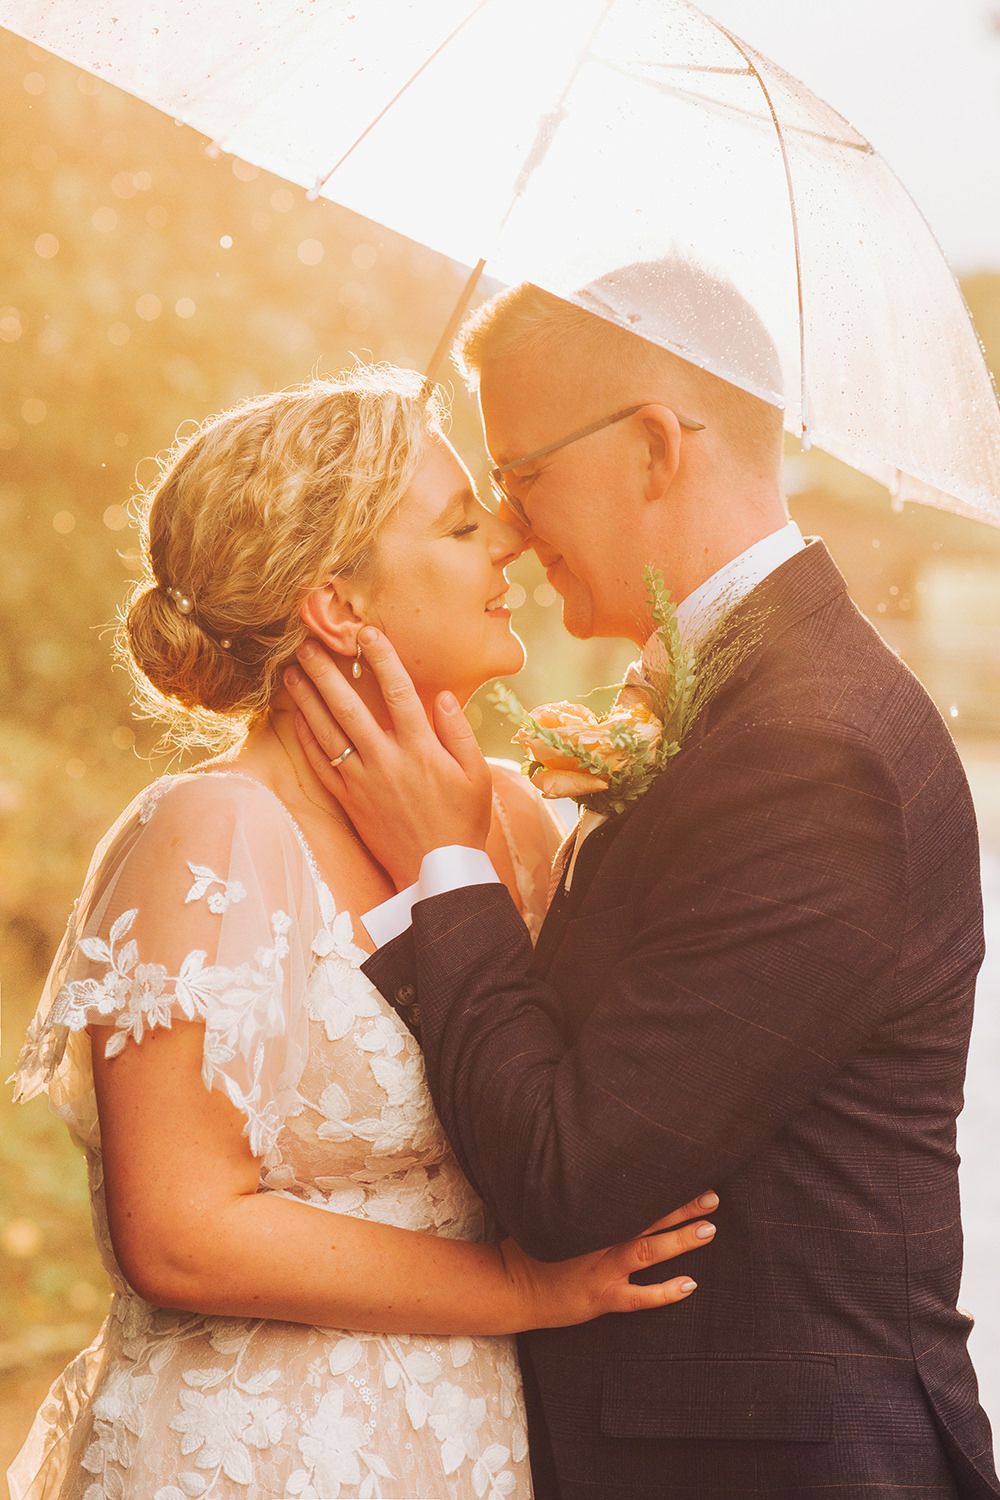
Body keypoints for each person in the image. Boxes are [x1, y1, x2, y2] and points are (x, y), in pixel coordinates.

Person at [286, 282, 1000, 1500]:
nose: (507, 531)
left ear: (655, 447)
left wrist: (443, 869)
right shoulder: (740, 698)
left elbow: (578, 1173)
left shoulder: (808, 745)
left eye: (523, 477)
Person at [7, 367, 719, 1500]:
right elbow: (179, 1235)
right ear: (337, 606)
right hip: (255, 1452)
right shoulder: (215, 834)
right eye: (459, 525)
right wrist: (520, 1291)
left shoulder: (521, 825)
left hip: (472, 1446)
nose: (511, 547)